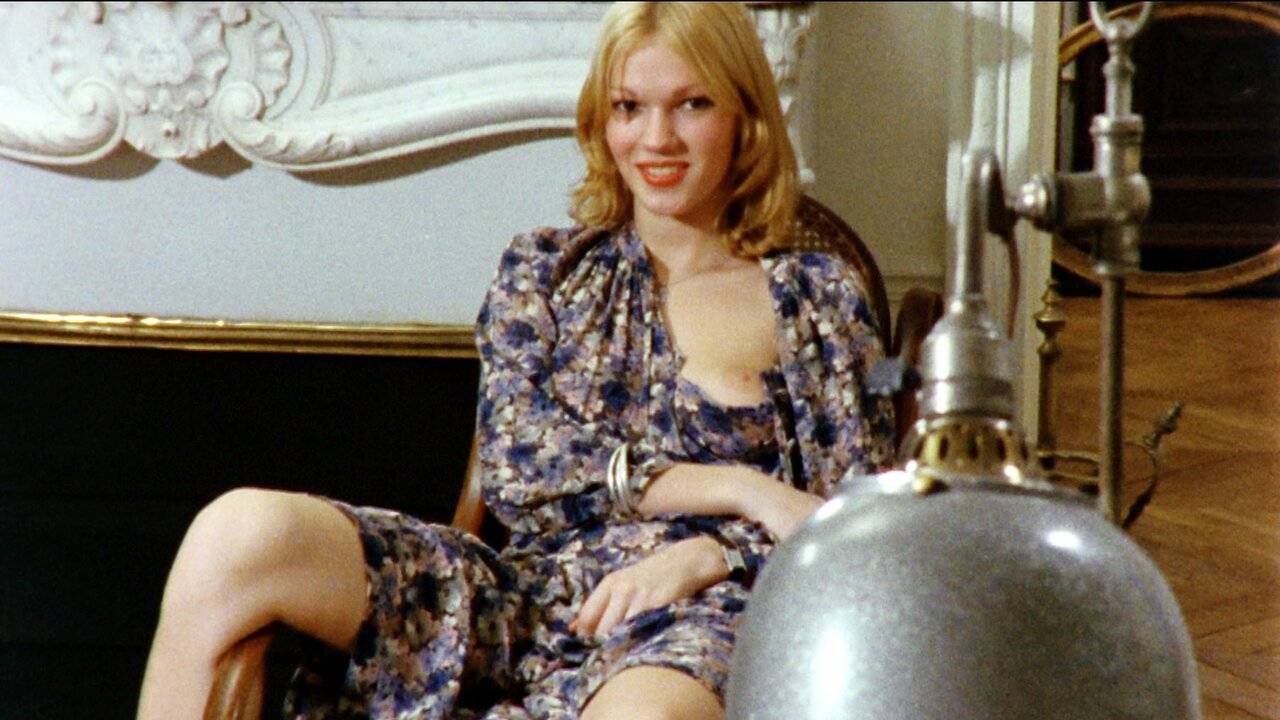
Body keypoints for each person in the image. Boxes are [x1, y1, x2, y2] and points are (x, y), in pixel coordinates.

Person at [136, 2, 894, 718]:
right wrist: (739, 487)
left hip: (701, 615)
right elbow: (522, 468)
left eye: (692, 104)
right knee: (236, 534)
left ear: (744, 118)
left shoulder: (815, 296)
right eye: (630, 107)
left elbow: (856, 524)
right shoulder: (542, 272)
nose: (656, 138)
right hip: (523, 596)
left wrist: (712, 554)